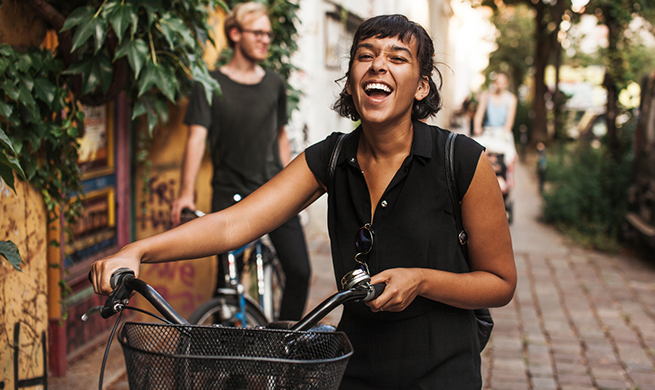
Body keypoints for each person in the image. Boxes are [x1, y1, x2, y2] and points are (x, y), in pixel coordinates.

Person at [91, 14, 516, 389]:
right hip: (354, 366)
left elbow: (499, 282)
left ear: (422, 86)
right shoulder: (329, 158)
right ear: (352, 78)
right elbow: (231, 225)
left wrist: (422, 280)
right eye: (365, 55)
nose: (378, 65)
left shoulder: (460, 160)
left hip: (443, 371)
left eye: (397, 58)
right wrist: (139, 250)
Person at [169, 1, 310, 321]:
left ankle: (280, 343)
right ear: (235, 33)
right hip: (229, 193)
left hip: (275, 193)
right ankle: (225, 357)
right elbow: (196, 138)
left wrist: (293, 183)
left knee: (299, 272)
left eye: (268, 35)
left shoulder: (275, 83)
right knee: (226, 286)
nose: (265, 40)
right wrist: (186, 193)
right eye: (257, 33)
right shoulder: (209, 83)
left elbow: (281, 136)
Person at [472, 71, 518, 135]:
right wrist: (477, 127)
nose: (499, 84)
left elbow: (509, 123)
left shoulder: (511, 99)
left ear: (506, 83)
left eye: (502, 82)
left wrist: (503, 134)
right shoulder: (487, 96)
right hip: (488, 131)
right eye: (497, 82)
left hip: (503, 133)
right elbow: (479, 115)